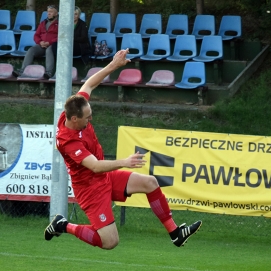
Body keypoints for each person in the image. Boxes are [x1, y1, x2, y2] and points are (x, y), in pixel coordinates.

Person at [44, 49, 202, 249]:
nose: (91, 119)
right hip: (90, 189)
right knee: (110, 242)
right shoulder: (68, 141)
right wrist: (125, 162)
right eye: (87, 117)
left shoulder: (74, 108)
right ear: (74, 119)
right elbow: (95, 166)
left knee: (150, 182)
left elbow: (90, 84)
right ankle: (63, 225)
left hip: (105, 178)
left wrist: (114, 65)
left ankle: (175, 233)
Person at [12, 5, 59, 79]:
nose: (49, 13)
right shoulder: (43, 23)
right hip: (41, 44)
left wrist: (50, 42)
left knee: (49, 50)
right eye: (48, 12)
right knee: (31, 50)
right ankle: (22, 70)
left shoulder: (60, 23)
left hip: (52, 45)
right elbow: (36, 35)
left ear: (56, 13)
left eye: (51, 12)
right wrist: (40, 42)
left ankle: (48, 72)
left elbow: (60, 37)